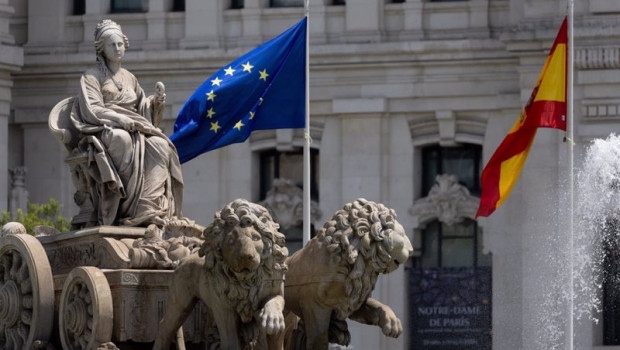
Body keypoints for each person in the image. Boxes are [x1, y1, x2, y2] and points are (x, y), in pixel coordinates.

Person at [70, 19, 183, 227]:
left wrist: (156, 102)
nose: (118, 48)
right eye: (112, 45)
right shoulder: (91, 77)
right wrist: (119, 119)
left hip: (135, 128)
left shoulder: (129, 77)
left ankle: (146, 206)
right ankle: (122, 207)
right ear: (101, 49)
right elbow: (93, 109)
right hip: (104, 130)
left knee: (161, 146)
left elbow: (142, 109)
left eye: (120, 44)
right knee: (122, 140)